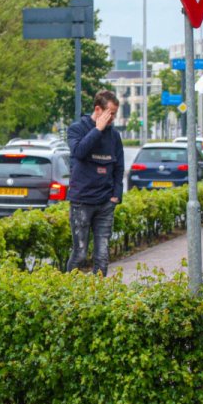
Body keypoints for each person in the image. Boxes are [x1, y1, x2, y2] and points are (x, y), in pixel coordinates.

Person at [66, 89, 124, 277]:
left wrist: (116, 195)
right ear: (98, 110)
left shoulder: (114, 136)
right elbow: (79, 152)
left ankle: (98, 294)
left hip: (105, 202)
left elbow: (119, 167)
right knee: (80, 252)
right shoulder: (77, 129)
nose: (113, 119)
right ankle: (68, 290)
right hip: (82, 201)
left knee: (102, 254)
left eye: (115, 114)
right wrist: (97, 130)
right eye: (111, 114)